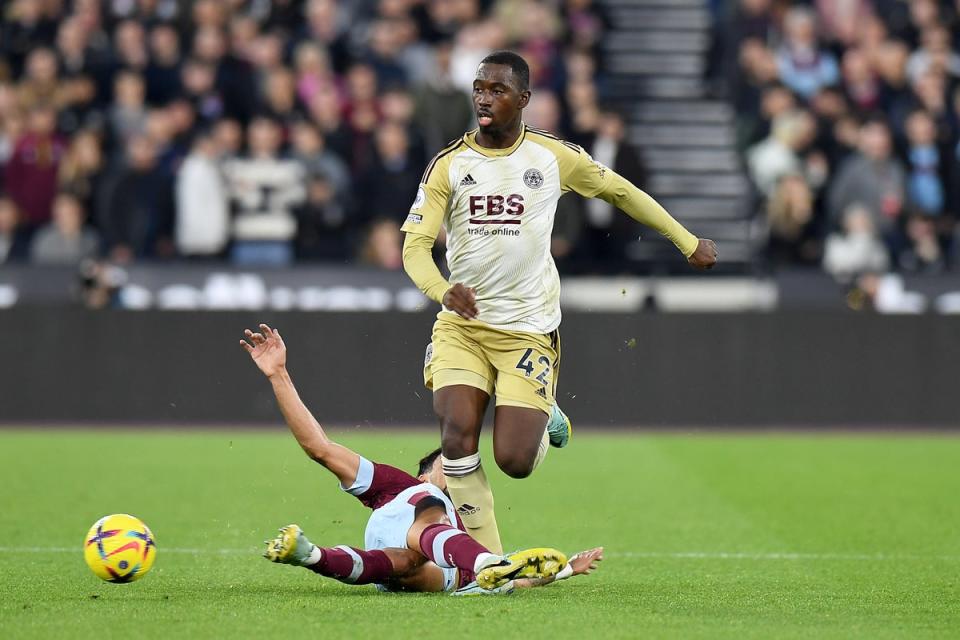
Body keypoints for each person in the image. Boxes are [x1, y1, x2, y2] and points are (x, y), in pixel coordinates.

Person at [400, 51, 717, 553]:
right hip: (462, 326)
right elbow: (414, 247)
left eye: (498, 90)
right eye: (479, 87)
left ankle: (544, 411)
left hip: (528, 328)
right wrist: (443, 290)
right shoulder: (449, 165)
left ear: (523, 100)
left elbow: (620, 192)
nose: (484, 97)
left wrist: (686, 240)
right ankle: (486, 564)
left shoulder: (550, 157)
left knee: (515, 462)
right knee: (457, 436)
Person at [240, 323, 602, 595]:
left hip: (438, 573)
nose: (464, 466)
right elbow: (319, 447)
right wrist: (278, 374)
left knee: (407, 564)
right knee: (429, 520)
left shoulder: (461, 516)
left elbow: (514, 578)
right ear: (428, 469)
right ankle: (484, 564)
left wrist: (567, 569)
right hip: (450, 554)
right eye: (452, 462)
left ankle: (310, 555)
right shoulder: (397, 485)